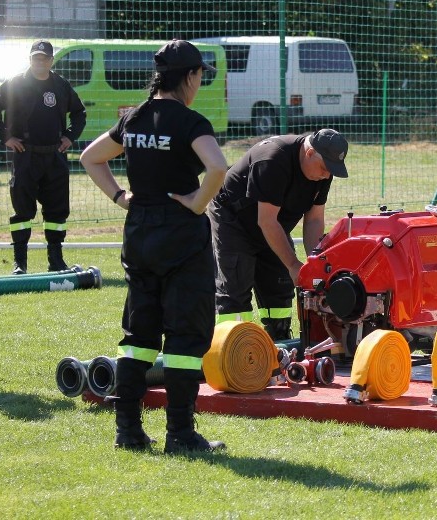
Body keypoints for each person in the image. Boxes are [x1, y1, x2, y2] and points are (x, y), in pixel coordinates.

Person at [80, 40, 228, 453]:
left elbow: (91, 158)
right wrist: (199, 203)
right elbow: (217, 167)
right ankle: (180, 434)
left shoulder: (134, 118)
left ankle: (127, 431)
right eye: (200, 76)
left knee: (138, 334)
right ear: (191, 77)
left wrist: (119, 196)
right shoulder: (190, 122)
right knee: (185, 336)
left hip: (139, 234)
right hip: (181, 236)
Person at [209, 128, 349, 340]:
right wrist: (293, 265)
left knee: (279, 286)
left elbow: (314, 219)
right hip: (234, 220)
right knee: (235, 288)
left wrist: (314, 264)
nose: (327, 174)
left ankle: (281, 342)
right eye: (324, 168)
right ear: (310, 153)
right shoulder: (273, 159)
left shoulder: (323, 171)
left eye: (331, 170)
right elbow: (266, 221)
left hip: (273, 224)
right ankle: (233, 346)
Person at [0, 39, 86, 274]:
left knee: (57, 211)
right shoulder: (16, 83)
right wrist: (5, 137)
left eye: (45, 58)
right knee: (22, 210)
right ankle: (20, 263)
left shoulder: (60, 85)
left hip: (55, 156)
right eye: (36, 58)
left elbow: (79, 113)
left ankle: (56, 261)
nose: (40, 61)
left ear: (51, 60)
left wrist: (70, 136)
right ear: (30, 59)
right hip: (25, 156)